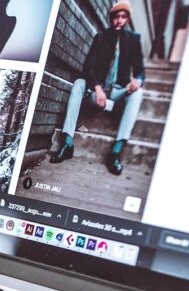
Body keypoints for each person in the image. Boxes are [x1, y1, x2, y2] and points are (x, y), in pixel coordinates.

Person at [50, 1, 145, 176]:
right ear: (111, 19)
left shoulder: (133, 40)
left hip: (117, 95)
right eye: (116, 17)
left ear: (127, 19)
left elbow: (140, 72)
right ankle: (67, 143)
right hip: (97, 94)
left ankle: (116, 151)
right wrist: (98, 88)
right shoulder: (101, 37)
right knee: (79, 83)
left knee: (138, 93)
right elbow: (88, 68)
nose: (119, 20)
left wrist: (137, 81)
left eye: (123, 17)